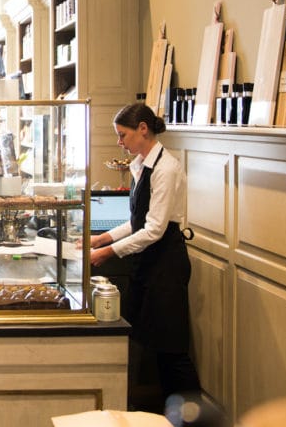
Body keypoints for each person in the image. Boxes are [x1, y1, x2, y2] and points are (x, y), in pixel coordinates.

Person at [87, 102, 201, 403]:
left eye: (122, 135)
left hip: (166, 264)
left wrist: (108, 252)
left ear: (142, 129)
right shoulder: (141, 165)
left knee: (172, 349)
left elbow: (154, 230)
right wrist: (102, 238)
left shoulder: (166, 168)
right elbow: (137, 220)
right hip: (148, 263)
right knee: (150, 343)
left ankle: (192, 417)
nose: (119, 143)